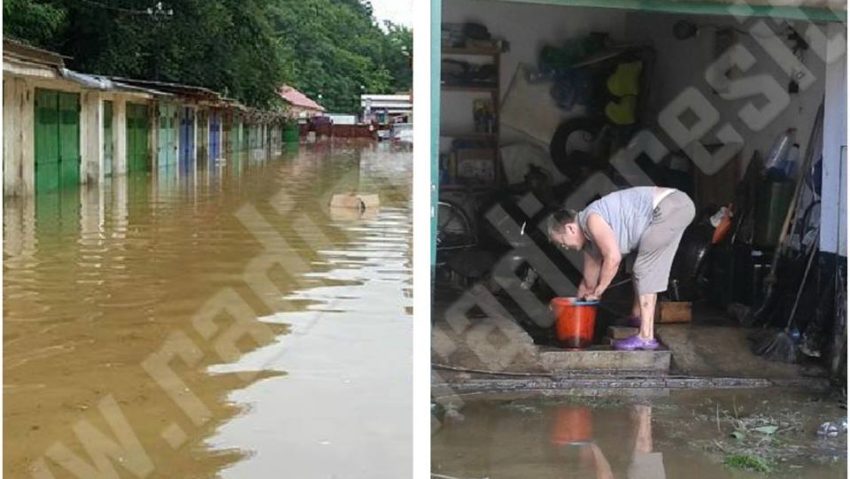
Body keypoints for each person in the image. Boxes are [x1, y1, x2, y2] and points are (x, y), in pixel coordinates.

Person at [547, 187, 695, 350]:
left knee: (644, 268)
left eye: (562, 242)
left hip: (671, 205)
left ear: (570, 228)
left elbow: (613, 258)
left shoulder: (592, 219)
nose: (565, 247)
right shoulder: (589, 243)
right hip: (669, 209)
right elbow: (588, 283)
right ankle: (637, 316)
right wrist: (569, 312)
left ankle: (646, 336)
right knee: (636, 264)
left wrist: (599, 292)